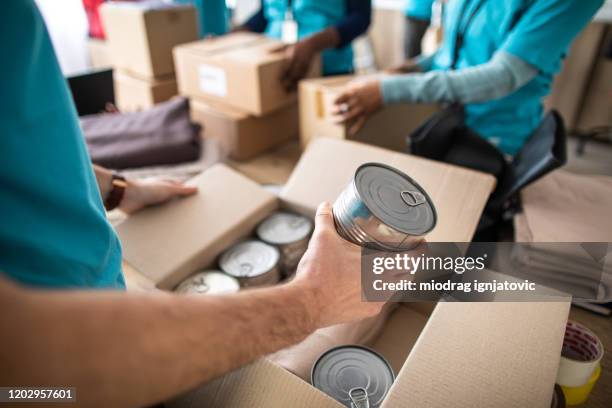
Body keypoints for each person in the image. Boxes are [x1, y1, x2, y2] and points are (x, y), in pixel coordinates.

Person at [0, 2, 383, 406]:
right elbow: (28, 364)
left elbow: (18, 141)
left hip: (105, 304)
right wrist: (311, 303)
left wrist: (115, 188)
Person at [332, 0, 604, 157]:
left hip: (492, 134)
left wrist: (386, 91)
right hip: (443, 115)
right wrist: (415, 66)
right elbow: (457, 47)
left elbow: (503, 75)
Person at [238, 0, 372, 89]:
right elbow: (266, 14)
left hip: (328, 71)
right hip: (276, 69)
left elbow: (361, 17)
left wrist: (313, 44)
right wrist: (233, 35)